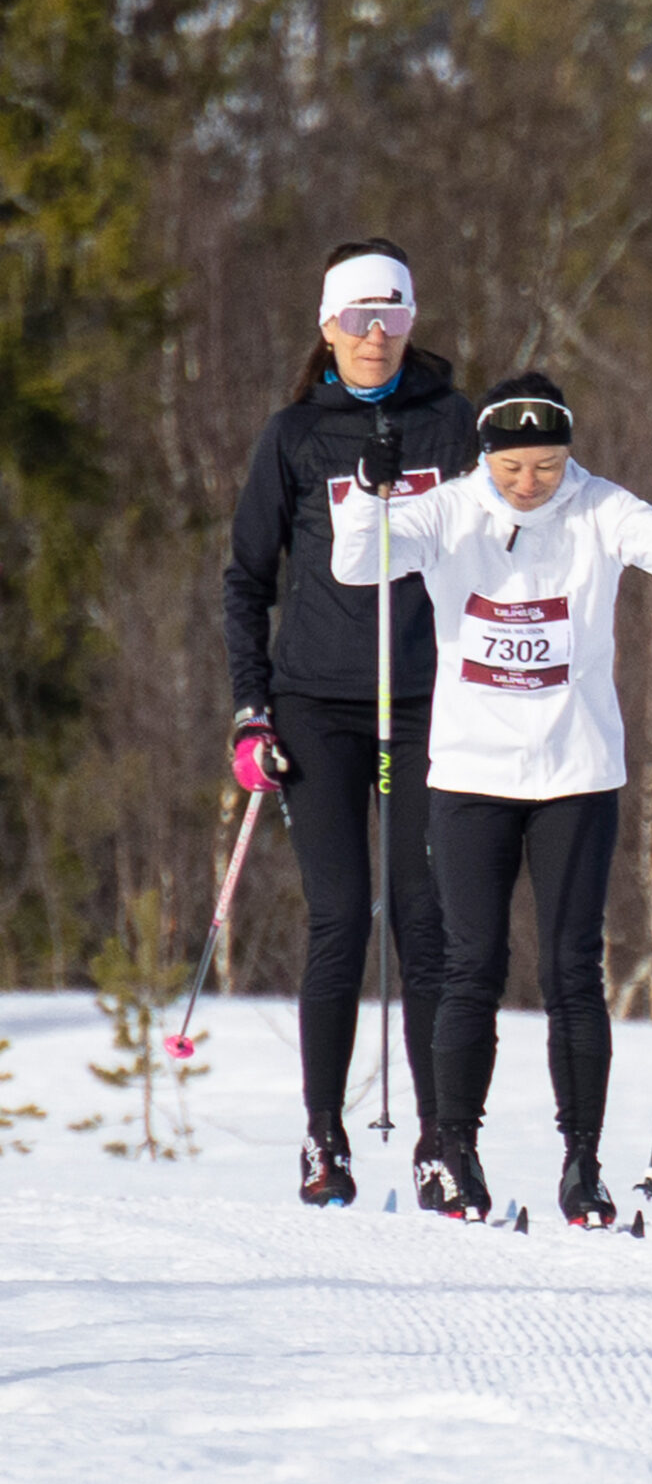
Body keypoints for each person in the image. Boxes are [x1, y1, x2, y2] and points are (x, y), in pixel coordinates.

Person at [331, 373, 652, 1224]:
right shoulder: (450, 510)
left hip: (576, 774)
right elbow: (354, 563)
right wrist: (367, 492)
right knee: (468, 965)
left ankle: (583, 1162)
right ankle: (454, 1151)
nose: (531, 483)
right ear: (488, 458)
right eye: (515, 467)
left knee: (571, 971)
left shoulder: (598, 507)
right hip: (472, 775)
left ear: (568, 455)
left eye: (548, 465)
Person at [223, 241, 478, 1207]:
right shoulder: (293, 435)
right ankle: (323, 1134)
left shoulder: (451, 422)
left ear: (414, 321)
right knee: (340, 918)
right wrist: (252, 710)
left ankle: (440, 1140)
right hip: (319, 707)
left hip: (424, 703)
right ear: (327, 326)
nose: (378, 335)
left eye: (395, 316)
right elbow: (247, 579)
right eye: (360, 317)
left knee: (426, 921)